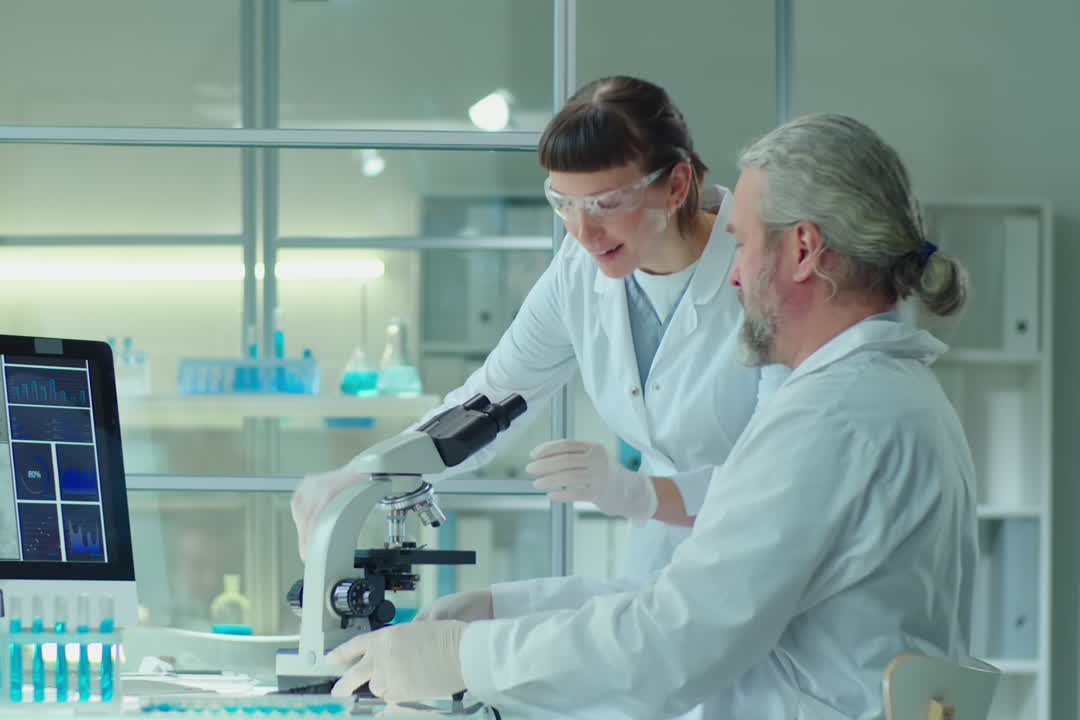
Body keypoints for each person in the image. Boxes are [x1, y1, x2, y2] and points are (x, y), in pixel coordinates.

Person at [327, 113, 978, 720]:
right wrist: (500, 609)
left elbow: (672, 641)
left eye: (743, 245)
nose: (732, 276)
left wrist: (462, 657)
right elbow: (682, 605)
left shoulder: (830, 419)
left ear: (803, 250)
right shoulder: (888, 395)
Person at [293, 75, 786, 609]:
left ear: (675, 184)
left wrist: (639, 494)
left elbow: (783, 476)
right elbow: (490, 400)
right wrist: (365, 475)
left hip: (770, 565)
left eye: (605, 203)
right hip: (660, 574)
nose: (582, 232)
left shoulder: (762, 278)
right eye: (563, 203)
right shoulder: (580, 270)